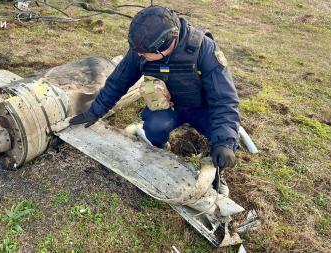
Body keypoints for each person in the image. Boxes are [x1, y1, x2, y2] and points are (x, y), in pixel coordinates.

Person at [69, 6, 240, 173]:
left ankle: (216, 175)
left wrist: (225, 143)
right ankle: (160, 151)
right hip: (170, 106)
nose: (140, 56)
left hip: (204, 108)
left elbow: (224, 99)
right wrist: (95, 111)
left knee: (221, 145)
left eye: (145, 53)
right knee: (155, 127)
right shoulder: (142, 48)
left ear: (168, 43)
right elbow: (118, 81)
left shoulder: (204, 49)